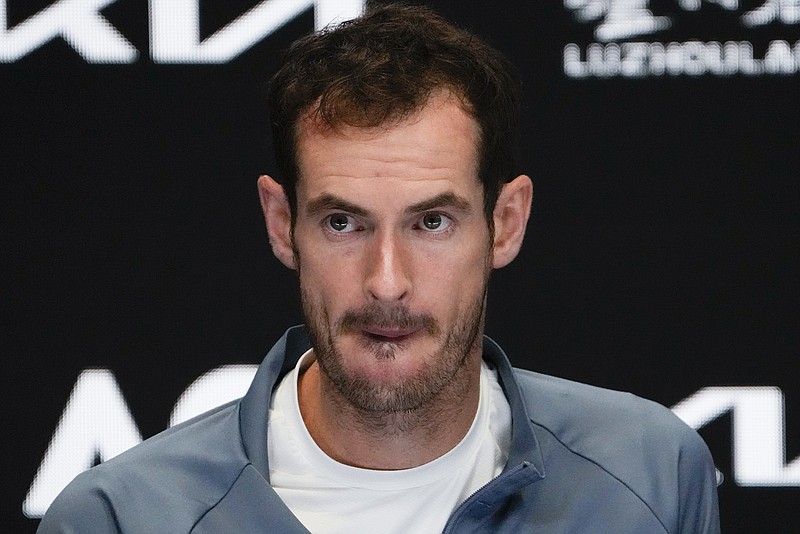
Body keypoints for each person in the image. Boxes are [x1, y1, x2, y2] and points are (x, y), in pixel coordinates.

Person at [38, 3, 720, 533]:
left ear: (505, 222)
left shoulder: (651, 475)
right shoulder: (121, 517)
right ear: (283, 225)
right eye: (343, 223)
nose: (386, 281)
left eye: (431, 222)